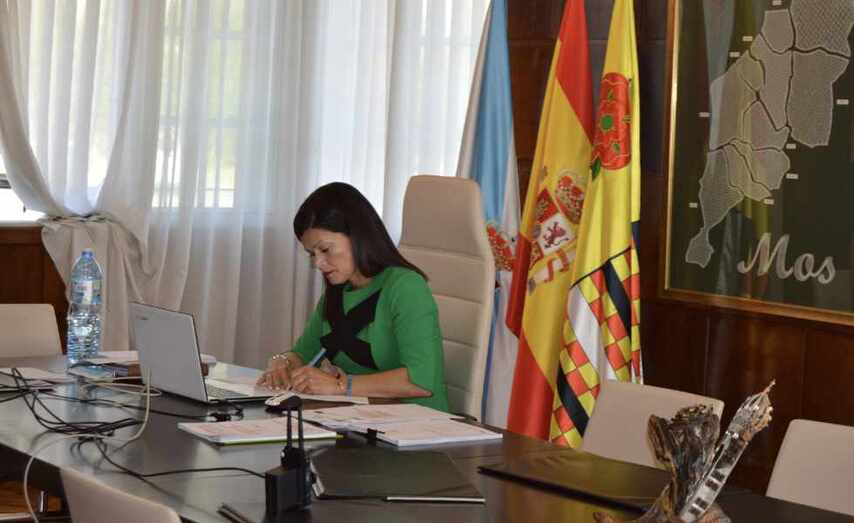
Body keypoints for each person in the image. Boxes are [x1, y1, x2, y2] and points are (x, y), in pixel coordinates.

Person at [257, 182, 449, 412]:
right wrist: (282, 362)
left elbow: (421, 380)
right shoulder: (338, 290)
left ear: (356, 236)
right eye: (312, 254)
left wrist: (340, 386)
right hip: (361, 419)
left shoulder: (405, 287)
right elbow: (303, 354)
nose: (318, 263)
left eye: (325, 250)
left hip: (417, 426)